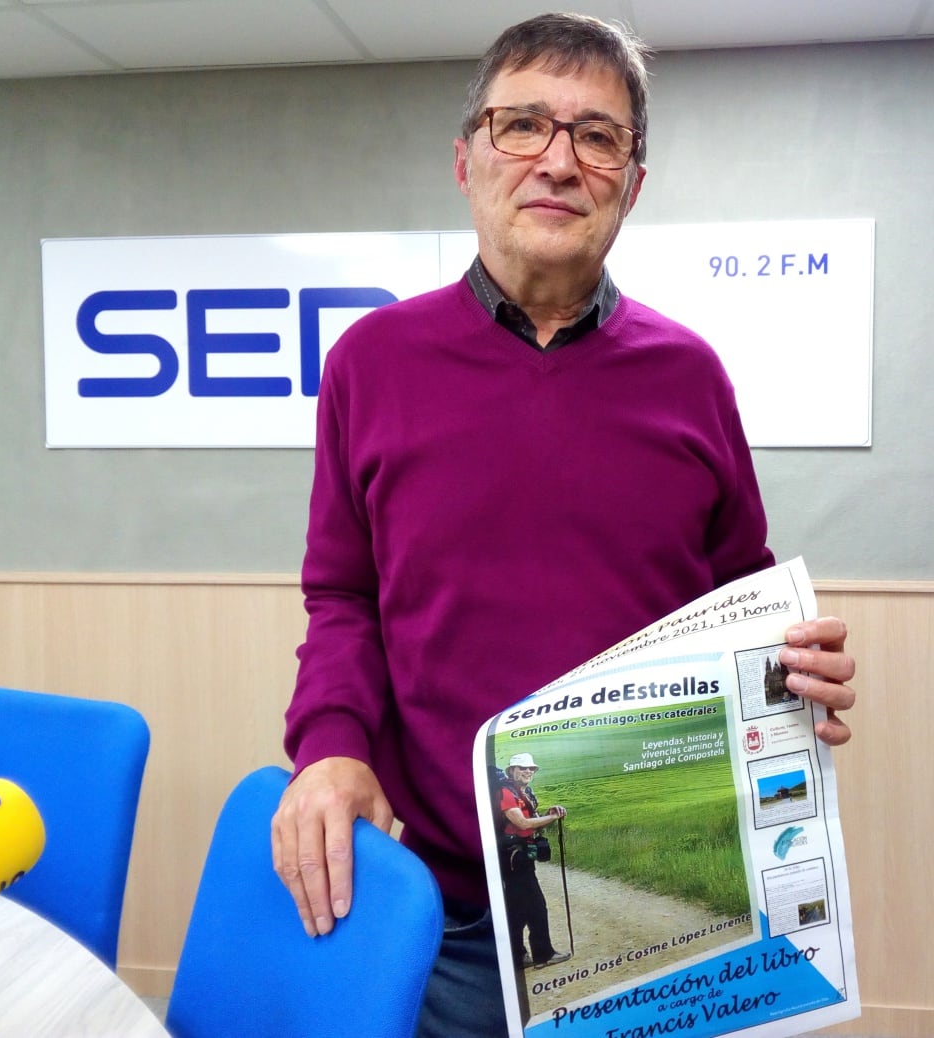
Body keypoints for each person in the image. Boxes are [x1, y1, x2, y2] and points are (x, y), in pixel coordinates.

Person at [271, 12, 857, 1037]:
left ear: (631, 184)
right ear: (466, 160)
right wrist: (329, 743)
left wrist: (789, 670)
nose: (557, 159)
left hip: (658, 911)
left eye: (597, 136)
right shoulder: (372, 363)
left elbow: (738, 603)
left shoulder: (690, 377)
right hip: (445, 907)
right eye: (523, 125)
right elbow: (344, 595)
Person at [495, 753, 570, 970]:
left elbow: (529, 822)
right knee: (536, 905)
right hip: (514, 856)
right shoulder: (506, 793)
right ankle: (543, 954)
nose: (528, 771)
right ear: (511, 771)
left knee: (517, 908)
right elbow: (523, 823)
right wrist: (552, 818)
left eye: (531, 769)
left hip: (517, 856)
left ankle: (518, 957)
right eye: (522, 768)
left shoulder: (522, 792)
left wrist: (546, 815)